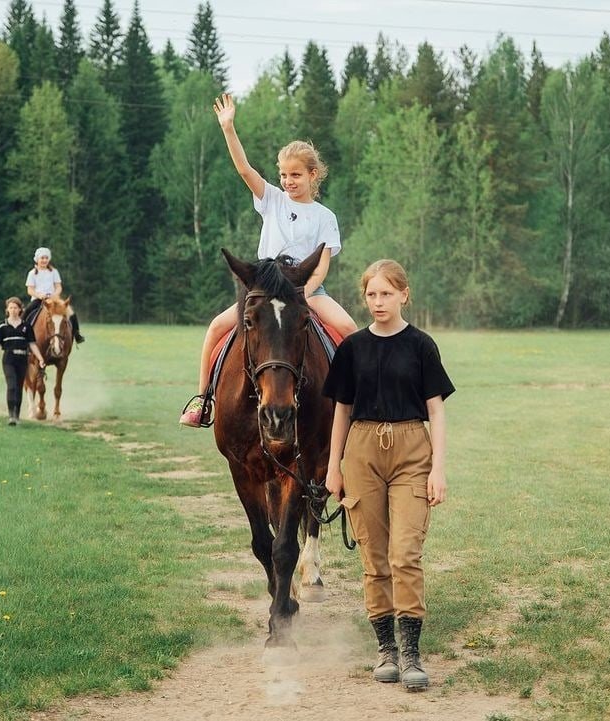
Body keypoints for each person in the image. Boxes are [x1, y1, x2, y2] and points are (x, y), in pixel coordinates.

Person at [179, 92, 357, 427]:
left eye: (296, 175)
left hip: (307, 291)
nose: (289, 182)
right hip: (264, 290)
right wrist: (228, 128)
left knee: (349, 328)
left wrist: (305, 292)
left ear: (313, 175)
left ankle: (358, 402)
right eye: (285, 175)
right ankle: (202, 401)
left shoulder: (324, 216)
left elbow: (321, 264)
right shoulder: (272, 199)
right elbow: (245, 170)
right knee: (216, 327)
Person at [321, 259, 454, 691]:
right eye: (371, 294)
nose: (378, 302)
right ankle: (387, 651)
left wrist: (438, 469)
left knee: (405, 554)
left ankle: (412, 654)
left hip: (412, 450)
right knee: (374, 558)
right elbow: (341, 410)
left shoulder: (421, 345)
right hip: (361, 453)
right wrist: (332, 468)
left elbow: (436, 409)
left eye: (386, 293)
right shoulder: (352, 348)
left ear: (404, 295)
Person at [0, 296, 45, 425]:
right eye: (11, 308)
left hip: (22, 359)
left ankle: (17, 415)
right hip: (9, 359)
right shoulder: (1, 326)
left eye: (16, 308)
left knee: (19, 387)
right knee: (12, 385)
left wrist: (40, 358)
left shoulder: (26, 326)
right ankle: (11, 416)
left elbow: (32, 344)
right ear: (7, 310)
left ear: (20, 310)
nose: (13, 310)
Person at [24, 247, 84, 344]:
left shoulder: (54, 272)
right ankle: (21, 334)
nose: (44, 260)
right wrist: (40, 295)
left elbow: (58, 287)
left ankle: (76, 334)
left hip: (53, 299)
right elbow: (30, 290)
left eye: (46, 258)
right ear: (37, 259)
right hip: (38, 299)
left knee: (71, 313)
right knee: (27, 311)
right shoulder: (32, 273)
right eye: (42, 258)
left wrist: (54, 295)